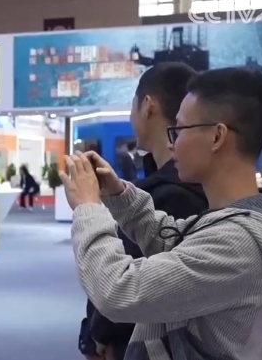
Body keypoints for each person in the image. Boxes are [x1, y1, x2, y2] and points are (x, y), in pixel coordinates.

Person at [61, 67, 262, 360]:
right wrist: (119, 194)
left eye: (180, 130)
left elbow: (119, 291)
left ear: (217, 136)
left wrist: (88, 208)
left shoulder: (236, 244)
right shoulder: (236, 225)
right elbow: (175, 240)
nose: (171, 142)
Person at [78, 63, 208, 360]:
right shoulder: (163, 189)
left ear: (148, 105)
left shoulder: (169, 195)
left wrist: (99, 334)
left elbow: (128, 287)